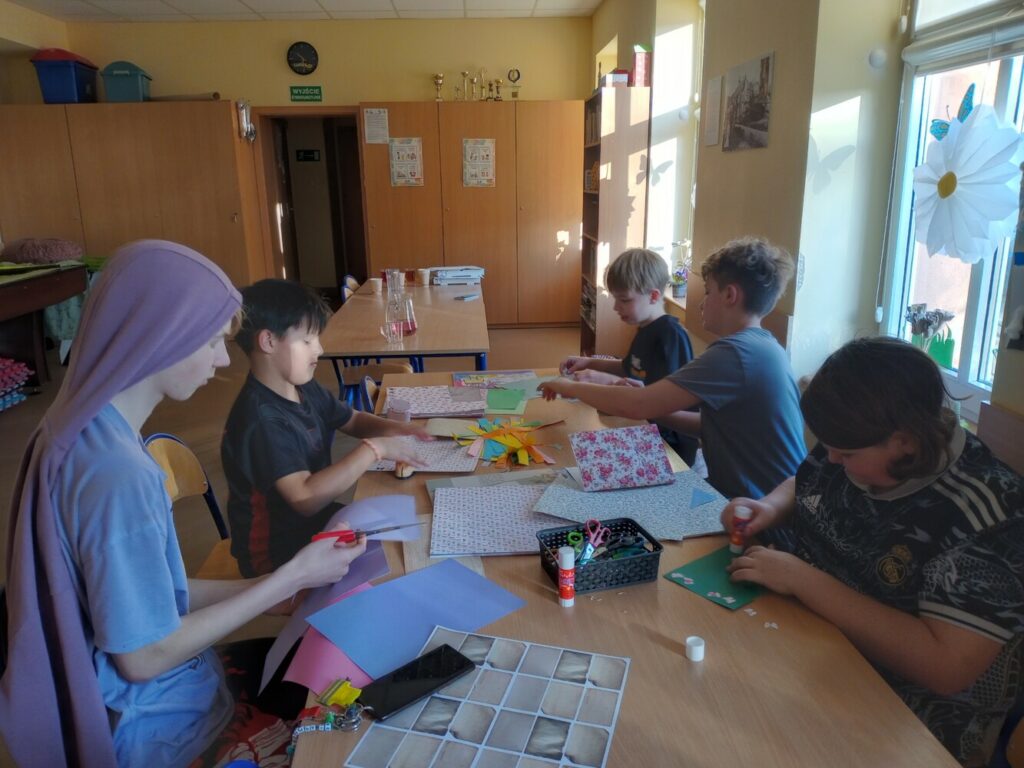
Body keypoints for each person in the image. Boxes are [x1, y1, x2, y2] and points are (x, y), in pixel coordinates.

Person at [0, 241, 371, 767]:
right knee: (357, 719)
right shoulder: (119, 476)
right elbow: (142, 656)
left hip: (176, 696)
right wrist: (289, 577)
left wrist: (275, 588)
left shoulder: (82, 429)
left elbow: (151, 592)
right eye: (214, 341)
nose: (223, 359)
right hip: (165, 730)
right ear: (162, 336)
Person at [723, 337, 1024, 767]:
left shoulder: (989, 517)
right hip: (808, 645)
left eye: (845, 453)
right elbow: (808, 481)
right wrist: (769, 507)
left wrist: (802, 579)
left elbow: (945, 667)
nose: (830, 458)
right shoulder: (855, 441)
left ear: (906, 442)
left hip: (905, 720)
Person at [540, 237, 806, 502]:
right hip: (754, 500)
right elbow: (712, 427)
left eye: (708, 291)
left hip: (762, 510)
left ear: (729, 295)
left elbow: (638, 405)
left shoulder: (735, 355)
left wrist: (570, 386)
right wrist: (653, 405)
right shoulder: (762, 346)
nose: (701, 302)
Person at [222, 278, 429, 577]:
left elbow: (352, 420)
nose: (319, 349)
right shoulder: (260, 420)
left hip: (315, 527)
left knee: (410, 532)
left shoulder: (301, 386)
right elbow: (304, 498)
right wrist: (374, 449)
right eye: (307, 341)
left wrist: (397, 429)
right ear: (268, 341)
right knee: (396, 564)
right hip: (278, 559)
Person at [558, 248, 698, 463]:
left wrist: (608, 381)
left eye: (624, 300)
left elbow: (670, 397)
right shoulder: (645, 328)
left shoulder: (671, 335)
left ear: (653, 296)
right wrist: (590, 362)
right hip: (643, 426)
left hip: (670, 443)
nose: (616, 307)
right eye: (616, 298)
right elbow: (629, 367)